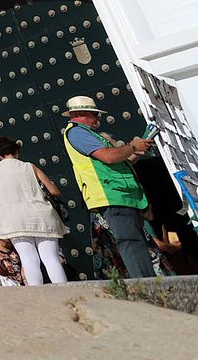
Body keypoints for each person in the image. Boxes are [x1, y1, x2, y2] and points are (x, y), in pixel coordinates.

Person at [60, 96, 154, 279]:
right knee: (131, 243)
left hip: (119, 194)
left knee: (135, 242)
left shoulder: (87, 133)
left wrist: (136, 151)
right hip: (110, 195)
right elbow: (109, 157)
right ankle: (147, 285)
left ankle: (147, 281)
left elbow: (117, 162)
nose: (98, 119)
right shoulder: (78, 132)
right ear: (80, 114)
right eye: (94, 115)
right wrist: (132, 146)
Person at [0, 135, 68, 285]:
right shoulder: (30, 166)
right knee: (51, 258)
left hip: (15, 221)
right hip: (42, 216)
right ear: (17, 151)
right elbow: (54, 191)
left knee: (29, 260)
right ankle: (67, 294)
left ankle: (37, 297)